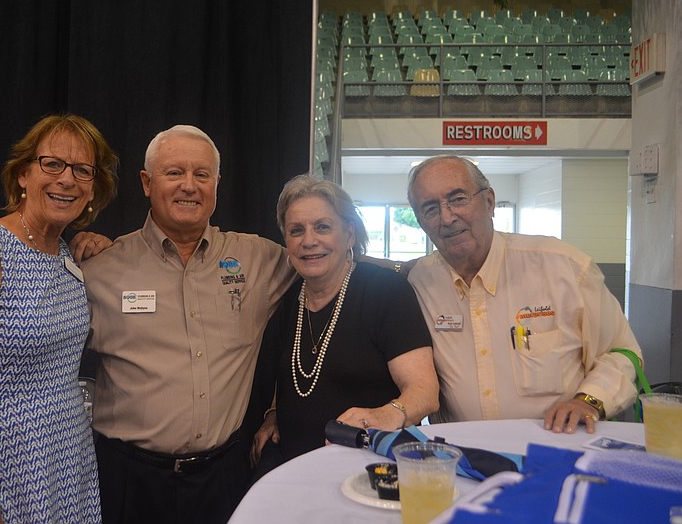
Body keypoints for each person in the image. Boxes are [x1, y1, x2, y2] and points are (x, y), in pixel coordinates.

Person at [79, 125, 299, 524]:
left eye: (202, 174)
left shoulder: (260, 260)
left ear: (217, 183)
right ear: (147, 182)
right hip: (129, 480)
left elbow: (328, 269)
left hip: (224, 478)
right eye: (174, 172)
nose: (189, 186)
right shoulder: (99, 269)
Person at [0, 114, 118, 524]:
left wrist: (103, 244)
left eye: (82, 170)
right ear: (23, 175)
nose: (67, 179)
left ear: (92, 189)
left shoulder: (67, 255)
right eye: (53, 164)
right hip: (0, 472)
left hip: (67, 468)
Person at [405, 155, 642, 434]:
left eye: (458, 199)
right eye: (430, 208)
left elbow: (622, 352)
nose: (447, 217)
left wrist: (588, 400)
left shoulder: (563, 267)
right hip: (463, 456)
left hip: (557, 446)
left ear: (489, 202)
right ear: (421, 221)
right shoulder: (420, 282)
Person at [250, 175, 439, 467]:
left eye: (322, 227)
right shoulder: (288, 301)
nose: (309, 241)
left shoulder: (386, 291)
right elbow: (295, 386)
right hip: (296, 468)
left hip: (368, 467)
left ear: (349, 234)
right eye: (296, 230)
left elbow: (425, 393)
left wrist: (384, 415)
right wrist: (274, 415)